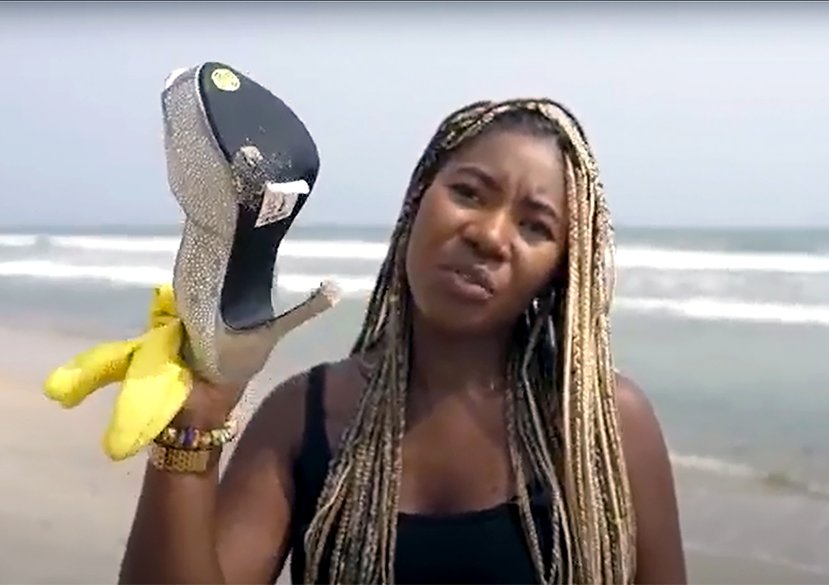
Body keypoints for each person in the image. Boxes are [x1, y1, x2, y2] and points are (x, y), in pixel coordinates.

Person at [118, 98, 686, 585]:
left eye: (534, 227)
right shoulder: (302, 418)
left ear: (559, 271)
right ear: (418, 199)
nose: (490, 236)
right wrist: (193, 419)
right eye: (469, 192)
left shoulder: (604, 425)